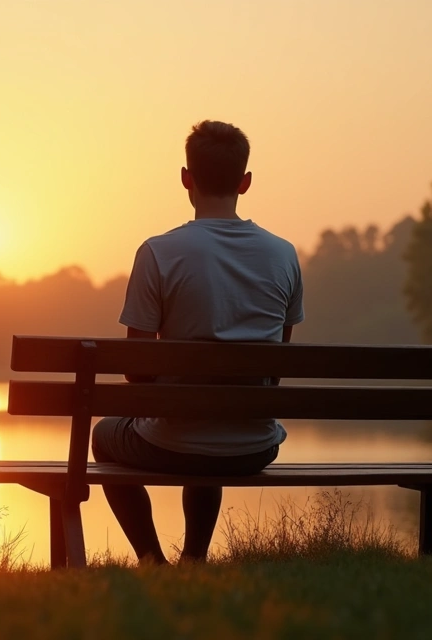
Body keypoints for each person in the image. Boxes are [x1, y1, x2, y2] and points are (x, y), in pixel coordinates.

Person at [91, 120, 304, 564]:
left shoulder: (158, 252)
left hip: (174, 444)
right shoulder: (283, 255)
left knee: (105, 435)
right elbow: (277, 365)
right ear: (244, 183)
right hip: (256, 446)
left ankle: (151, 560)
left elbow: (137, 367)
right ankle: (194, 559)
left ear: (186, 178)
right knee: (210, 419)